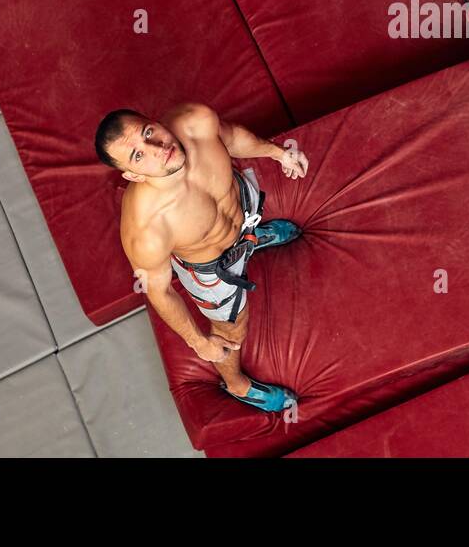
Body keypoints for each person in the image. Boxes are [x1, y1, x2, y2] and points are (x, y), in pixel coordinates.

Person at [93, 104, 308, 412]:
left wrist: (278, 153)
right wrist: (199, 342)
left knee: (244, 223)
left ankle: (252, 241)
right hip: (212, 267)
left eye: (148, 132)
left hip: (242, 214)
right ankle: (236, 385)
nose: (156, 149)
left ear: (153, 119)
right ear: (132, 174)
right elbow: (160, 291)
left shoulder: (195, 121)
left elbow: (232, 138)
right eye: (138, 155)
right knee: (232, 328)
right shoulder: (148, 228)